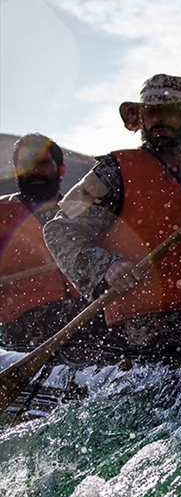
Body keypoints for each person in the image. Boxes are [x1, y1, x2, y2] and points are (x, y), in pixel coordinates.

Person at [44, 75, 181, 359]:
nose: (158, 118)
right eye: (151, 111)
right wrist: (106, 267)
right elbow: (59, 230)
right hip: (146, 324)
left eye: (170, 110)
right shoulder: (113, 174)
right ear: (140, 118)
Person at [0, 134, 89, 350]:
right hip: (21, 323)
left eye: (43, 163)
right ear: (16, 171)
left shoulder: (82, 212)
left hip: (84, 315)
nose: (34, 170)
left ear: (61, 170)